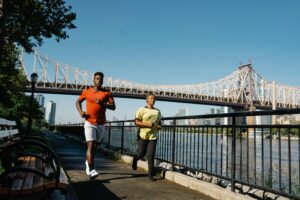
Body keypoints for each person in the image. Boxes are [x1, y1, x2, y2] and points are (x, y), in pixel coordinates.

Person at [76, 71, 116, 179]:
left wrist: (102, 103)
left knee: (95, 147)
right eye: (97, 78)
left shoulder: (107, 93)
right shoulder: (87, 91)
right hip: (89, 122)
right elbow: (78, 102)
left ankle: (88, 163)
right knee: (90, 145)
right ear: (93, 80)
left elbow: (113, 107)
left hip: (101, 124)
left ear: (103, 81)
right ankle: (92, 169)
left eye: (101, 79)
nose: (99, 80)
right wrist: (81, 112)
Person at [131, 94, 161, 181]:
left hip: (153, 136)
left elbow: (159, 124)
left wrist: (157, 126)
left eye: (154, 98)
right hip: (142, 135)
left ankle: (150, 174)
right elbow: (136, 122)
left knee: (151, 155)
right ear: (147, 100)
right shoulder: (141, 109)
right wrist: (148, 124)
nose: (153, 99)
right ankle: (135, 159)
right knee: (141, 154)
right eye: (151, 98)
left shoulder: (158, 111)